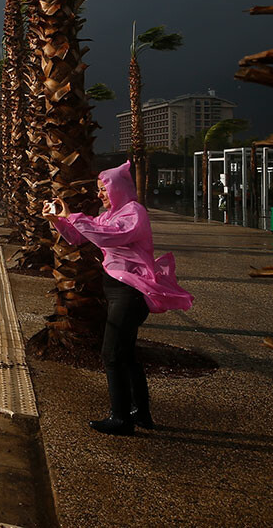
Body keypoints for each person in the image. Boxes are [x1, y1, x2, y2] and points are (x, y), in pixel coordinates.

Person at [41, 161, 194, 436]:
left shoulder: (134, 213)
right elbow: (79, 237)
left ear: (118, 188)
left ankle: (120, 418)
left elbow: (111, 237)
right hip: (117, 290)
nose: (100, 194)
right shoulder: (109, 214)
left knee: (111, 353)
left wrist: (72, 215)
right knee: (126, 354)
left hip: (130, 292)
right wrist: (58, 221)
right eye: (99, 190)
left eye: (104, 189)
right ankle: (141, 412)